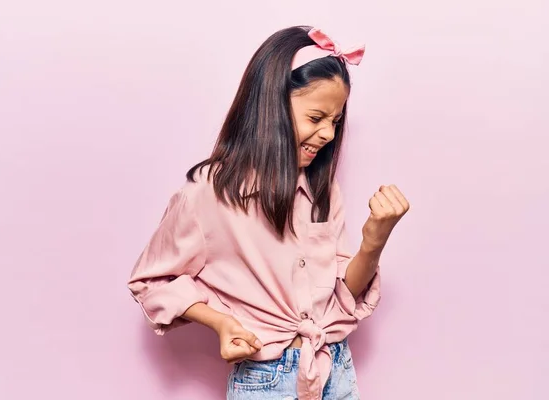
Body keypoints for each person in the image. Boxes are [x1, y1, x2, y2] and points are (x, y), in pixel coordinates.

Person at [128, 25, 410, 400]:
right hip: (266, 380)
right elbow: (151, 280)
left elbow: (343, 295)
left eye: (335, 121)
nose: (327, 134)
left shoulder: (323, 188)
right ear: (272, 105)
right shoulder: (211, 194)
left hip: (335, 368)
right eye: (316, 118)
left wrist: (374, 241)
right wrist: (220, 322)